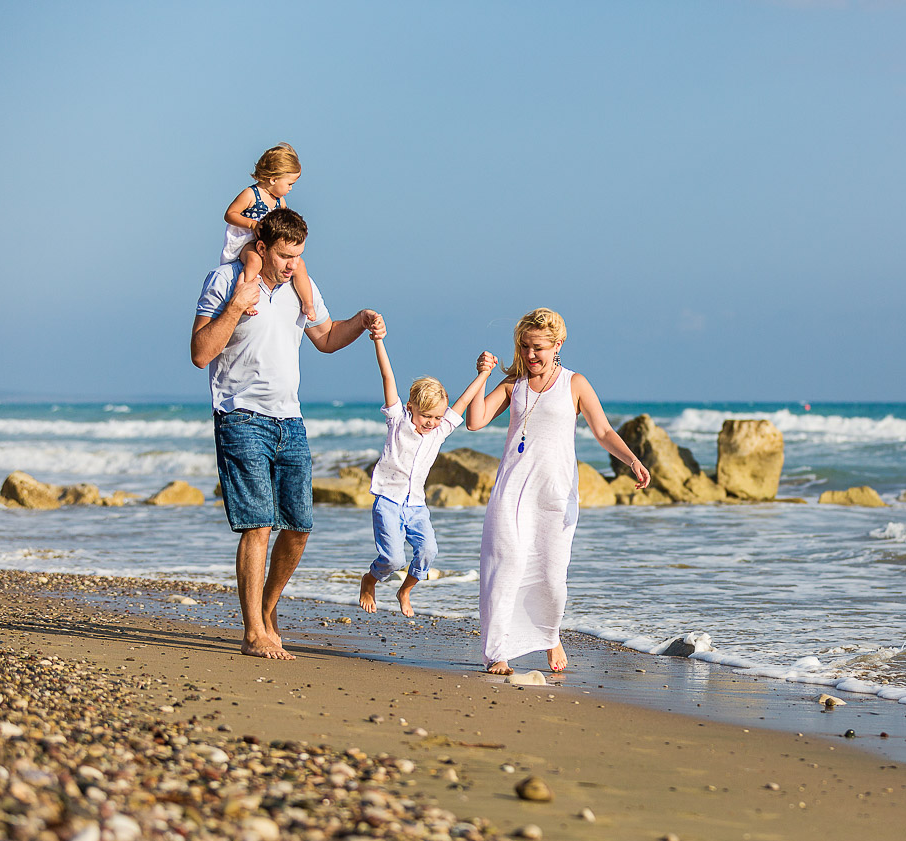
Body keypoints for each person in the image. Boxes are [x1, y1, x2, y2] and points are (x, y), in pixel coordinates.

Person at [190, 207, 385, 660]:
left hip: (289, 420)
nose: (291, 264)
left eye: (298, 255)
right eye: (283, 255)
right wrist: (238, 304)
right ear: (262, 247)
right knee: (258, 524)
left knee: (298, 528)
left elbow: (327, 338)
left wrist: (360, 320)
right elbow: (201, 353)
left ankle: (268, 609)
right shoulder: (224, 281)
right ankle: (253, 632)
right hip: (240, 415)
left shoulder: (303, 287)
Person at [466, 308, 650, 675]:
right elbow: (474, 422)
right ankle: (497, 652)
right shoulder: (512, 386)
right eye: (524, 347)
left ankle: (550, 635)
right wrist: (484, 375)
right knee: (508, 566)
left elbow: (603, 432)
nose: (531, 355)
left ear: (558, 345)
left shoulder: (574, 384)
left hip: (555, 494)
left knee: (551, 576)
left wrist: (631, 460)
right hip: (512, 492)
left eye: (538, 348)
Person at [359, 338, 497, 617]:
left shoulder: (439, 431)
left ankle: (405, 590)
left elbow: (463, 402)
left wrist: (484, 374)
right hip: (388, 501)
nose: (432, 422)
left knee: (428, 551)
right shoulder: (397, 420)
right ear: (411, 407)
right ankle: (369, 580)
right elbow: (387, 375)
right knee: (393, 559)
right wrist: (379, 341)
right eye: (426, 416)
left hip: (417, 506)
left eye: (437, 416)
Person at [221, 143, 317, 322]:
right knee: (254, 261)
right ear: (273, 179)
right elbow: (229, 214)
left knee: (300, 265)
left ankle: (308, 302)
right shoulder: (251, 194)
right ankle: (244, 296)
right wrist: (251, 224)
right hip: (246, 241)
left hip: (267, 243)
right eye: (289, 184)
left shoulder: (280, 201)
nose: (290, 188)